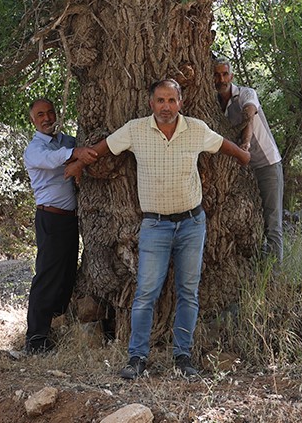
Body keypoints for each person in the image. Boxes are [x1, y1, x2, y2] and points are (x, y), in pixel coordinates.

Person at [71, 78, 250, 380]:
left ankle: (183, 357)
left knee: (188, 292)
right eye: (160, 101)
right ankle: (137, 358)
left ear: (181, 102)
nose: (166, 107)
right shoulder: (135, 130)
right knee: (145, 293)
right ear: (151, 103)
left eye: (171, 100)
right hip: (154, 225)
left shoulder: (196, 129)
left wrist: (244, 154)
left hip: (192, 224)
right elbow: (102, 149)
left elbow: (224, 145)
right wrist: (79, 162)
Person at [22, 97, 82, 354]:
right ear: (33, 121)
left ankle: (55, 326)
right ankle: (35, 339)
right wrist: (74, 156)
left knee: (67, 273)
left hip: (70, 219)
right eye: (40, 115)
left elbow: (71, 153)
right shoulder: (34, 149)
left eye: (50, 112)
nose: (47, 118)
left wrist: (76, 160)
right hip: (50, 218)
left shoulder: (66, 141)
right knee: (47, 276)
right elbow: (52, 160)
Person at [214, 55, 284, 260]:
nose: (221, 79)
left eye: (225, 74)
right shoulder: (214, 104)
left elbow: (249, 115)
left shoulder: (246, 93)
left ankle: (273, 276)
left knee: (272, 222)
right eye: (217, 75)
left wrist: (245, 143)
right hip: (243, 169)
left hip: (267, 164)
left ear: (231, 75)